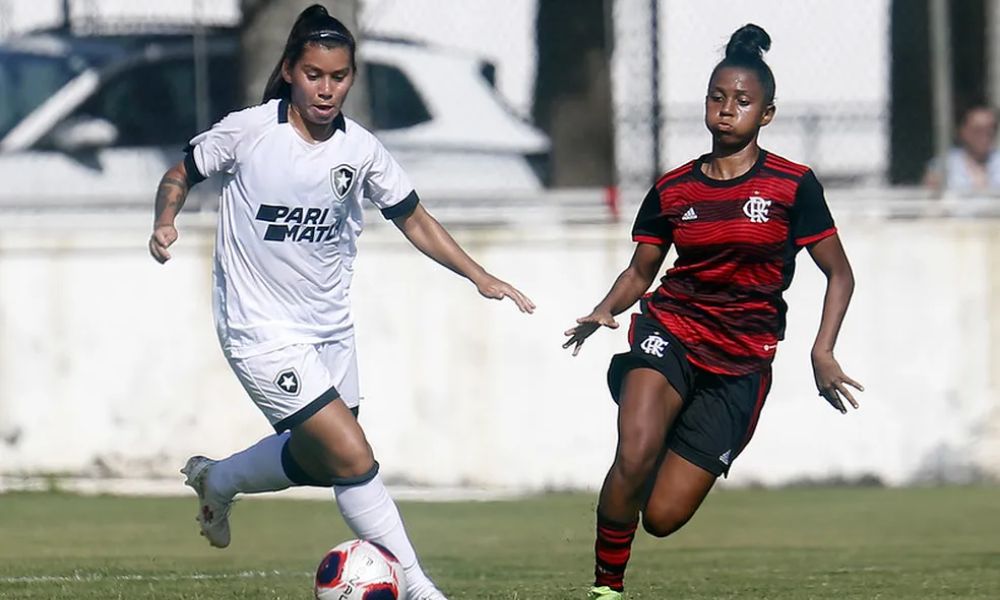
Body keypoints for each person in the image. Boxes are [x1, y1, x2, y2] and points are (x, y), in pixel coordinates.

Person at [147, 6, 534, 599]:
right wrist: (165, 221)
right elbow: (180, 172)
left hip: (330, 330)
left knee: (324, 458)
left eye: (339, 76)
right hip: (259, 328)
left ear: (351, 77)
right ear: (290, 72)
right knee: (352, 456)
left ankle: (218, 479)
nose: (326, 89)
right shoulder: (250, 131)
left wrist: (479, 276)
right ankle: (420, 588)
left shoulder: (362, 150)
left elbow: (414, 218)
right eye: (313, 74)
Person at [562, 24, 863, 600]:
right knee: (634, 451)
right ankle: (606, 588)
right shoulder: (673, 189)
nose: (727, 110)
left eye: (742, 101)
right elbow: (641, 272)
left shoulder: (792, 186)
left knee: (663, 516)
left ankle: (662, 441)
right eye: (717, 97)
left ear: (766, 114)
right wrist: (604, 311)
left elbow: (840, 273)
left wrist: (822, 350)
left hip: (742, 362)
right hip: (670, 330)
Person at [923, 104, 1000, 193]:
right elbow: (930, 202)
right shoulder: (943, 166)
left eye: (990, 130)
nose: (984, 136)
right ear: (962, 131)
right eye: (977, 130)